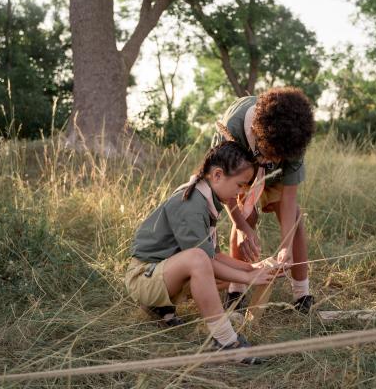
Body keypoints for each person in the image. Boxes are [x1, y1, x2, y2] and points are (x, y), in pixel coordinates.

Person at [125, 141, 278, 363]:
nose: (241, 193)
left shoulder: (206, 199)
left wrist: (253, 268)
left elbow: (214, 256)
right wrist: (247, 277)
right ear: (217, 175)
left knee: (211, 265)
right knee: (199, 260)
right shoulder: (191, 202)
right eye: (240, 185)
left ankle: (161, 307)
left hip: (164, 272)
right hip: (143, 277)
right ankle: (226, 342)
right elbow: (203, 260)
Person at [213, 87, 316, 314]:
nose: (274, 160)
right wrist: (240, 226)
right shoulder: (232, 130)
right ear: (255, 132)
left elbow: (288, 197)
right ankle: (236, 292)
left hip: (274, 173)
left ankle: (302, 294)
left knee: (295, 221)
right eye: (272, 154)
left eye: (280, 157)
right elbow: (227, 192)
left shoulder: (292, 139)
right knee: (246, 216)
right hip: (242, 168)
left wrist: (285, 247)